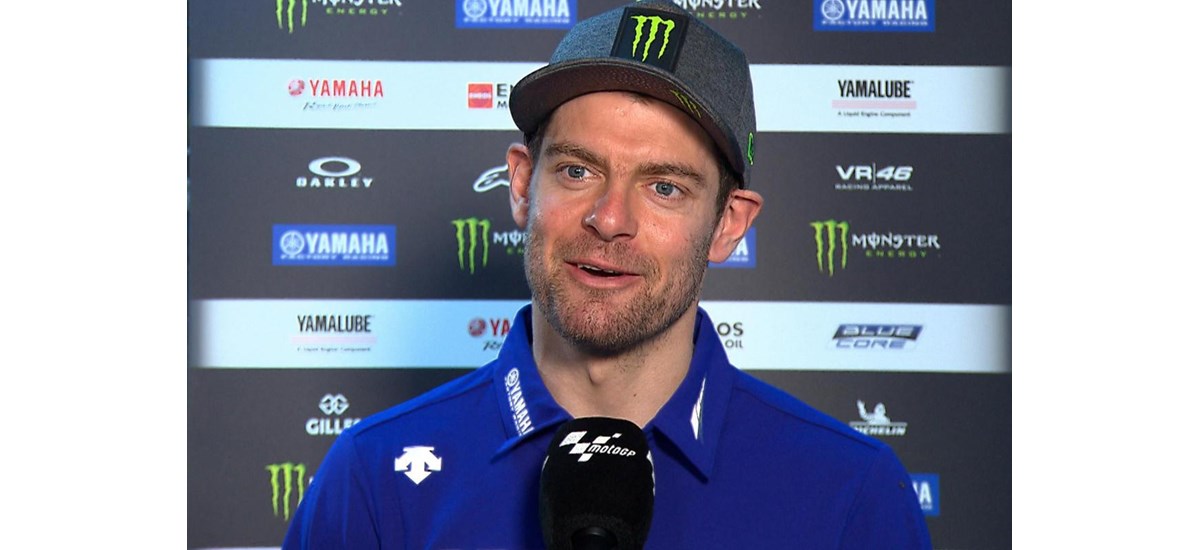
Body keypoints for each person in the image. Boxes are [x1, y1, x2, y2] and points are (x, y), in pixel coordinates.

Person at [282, 1, 932, 548]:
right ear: (521, 185)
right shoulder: (372, 477)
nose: (610, 219)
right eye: (577, 171)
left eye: (665, 187)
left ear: (728, 225)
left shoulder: (851, 492)